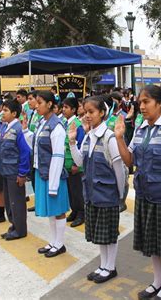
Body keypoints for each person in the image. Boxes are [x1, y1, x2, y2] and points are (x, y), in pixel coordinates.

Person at [115, 85, 161, 299]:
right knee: (153, 242)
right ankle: (157, 282)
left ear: (159, 103)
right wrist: (119, 138)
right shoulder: (140, 129)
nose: (142, 106)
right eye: (140, 102)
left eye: (146, 101)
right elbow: (129, 160)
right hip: (145, 196)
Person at [69, 95, 126, 283]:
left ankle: (111, 267)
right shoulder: (88, 136)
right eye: (85, 112)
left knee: (109, 234)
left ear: (102, 113)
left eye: (91, 112)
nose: (87, 116)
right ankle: (103, 265)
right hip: (92, 194)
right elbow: (80, 163)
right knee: (100, 234)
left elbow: (119, 169)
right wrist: (71, 143)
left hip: (108, 193)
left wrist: (120, 195)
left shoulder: (109, 137)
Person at [24, 91, 69, 254]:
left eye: (40, 102)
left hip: (53, 174)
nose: (36, 106)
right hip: (42, 172)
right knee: (51, 210)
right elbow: (37, 145)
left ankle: (60, 244)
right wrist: (26, 132)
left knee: (58, 210)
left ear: (50, 104)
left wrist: (54, 183)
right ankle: (53, 241)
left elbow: (58, 155)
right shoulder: (42, 122)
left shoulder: (56, 125)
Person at [0, 99, 31, 241]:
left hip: (14, 171)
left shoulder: (18, 129)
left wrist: (22, 173)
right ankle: (13, 226)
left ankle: (20, 230)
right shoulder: (4, 127)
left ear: (14, 113)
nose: (2, 113)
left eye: (5, 111)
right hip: (5, 170)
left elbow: (25, 152)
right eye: (2, 110)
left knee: (16, 202)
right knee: (9, 201)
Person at [62, 97, 86, 227]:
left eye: (67, 107)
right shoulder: (65, 123)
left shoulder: (77, 124)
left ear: (74, 109)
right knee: (71, 190)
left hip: (75, 165)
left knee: (77, 191)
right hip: (67, 164)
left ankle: (81, 213)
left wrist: (77, 165)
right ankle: (74, 211)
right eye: (63, 107)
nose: (64, 110)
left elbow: (81, 144)